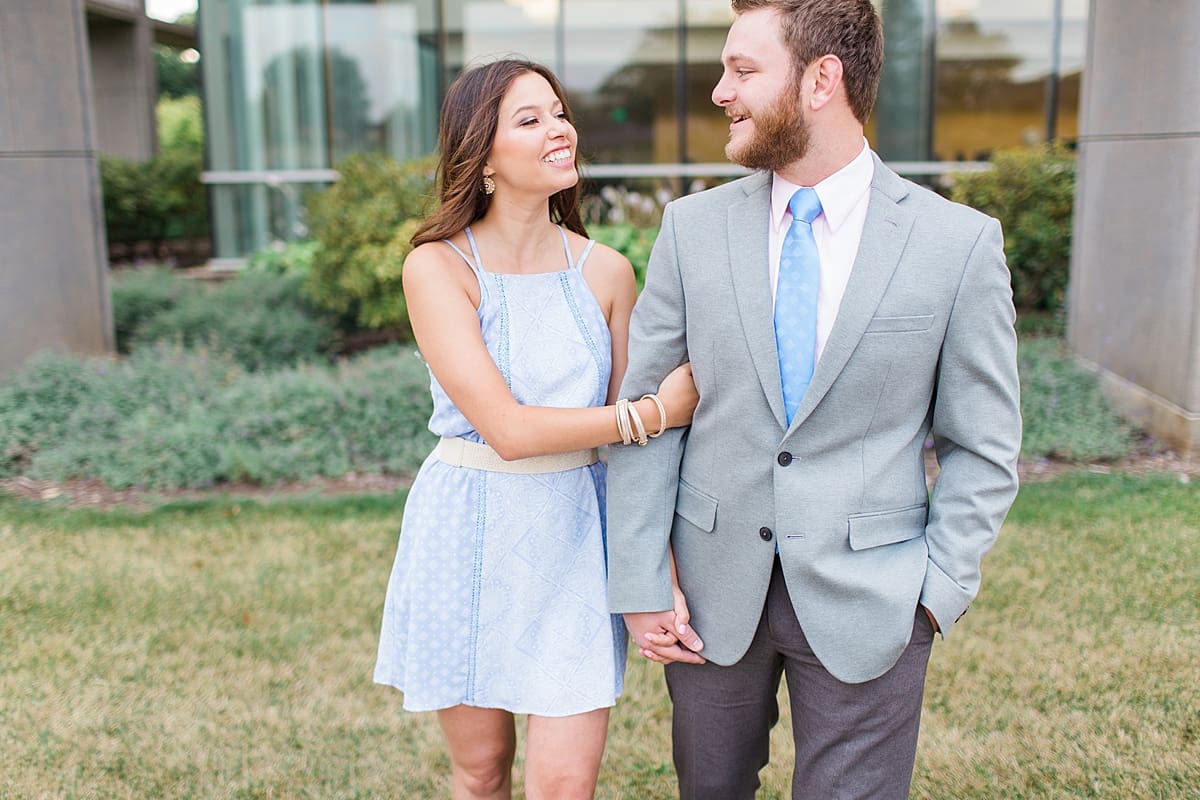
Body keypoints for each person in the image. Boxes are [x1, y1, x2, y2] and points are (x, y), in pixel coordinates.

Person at [606, 1, 1022, 798]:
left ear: (821, 79)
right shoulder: (691, 230)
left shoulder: (957, 244)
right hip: (709, 597)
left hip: (876, 596)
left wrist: (936, 592)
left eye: (743, 70)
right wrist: (641, 579)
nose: (721, 92)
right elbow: (646, 417)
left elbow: (984, 443)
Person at [372, 59, 699, 800]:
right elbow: (507, 429)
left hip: (576, 537)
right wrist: (653, 413)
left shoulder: (608, 272)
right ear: (481, 155)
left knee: (564, 785)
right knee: (481, 771)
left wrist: (657, 571)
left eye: (559, 112)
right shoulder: (437, 267)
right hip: (465, 532)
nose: (559, 130)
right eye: (530, 119)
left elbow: (634, 459)